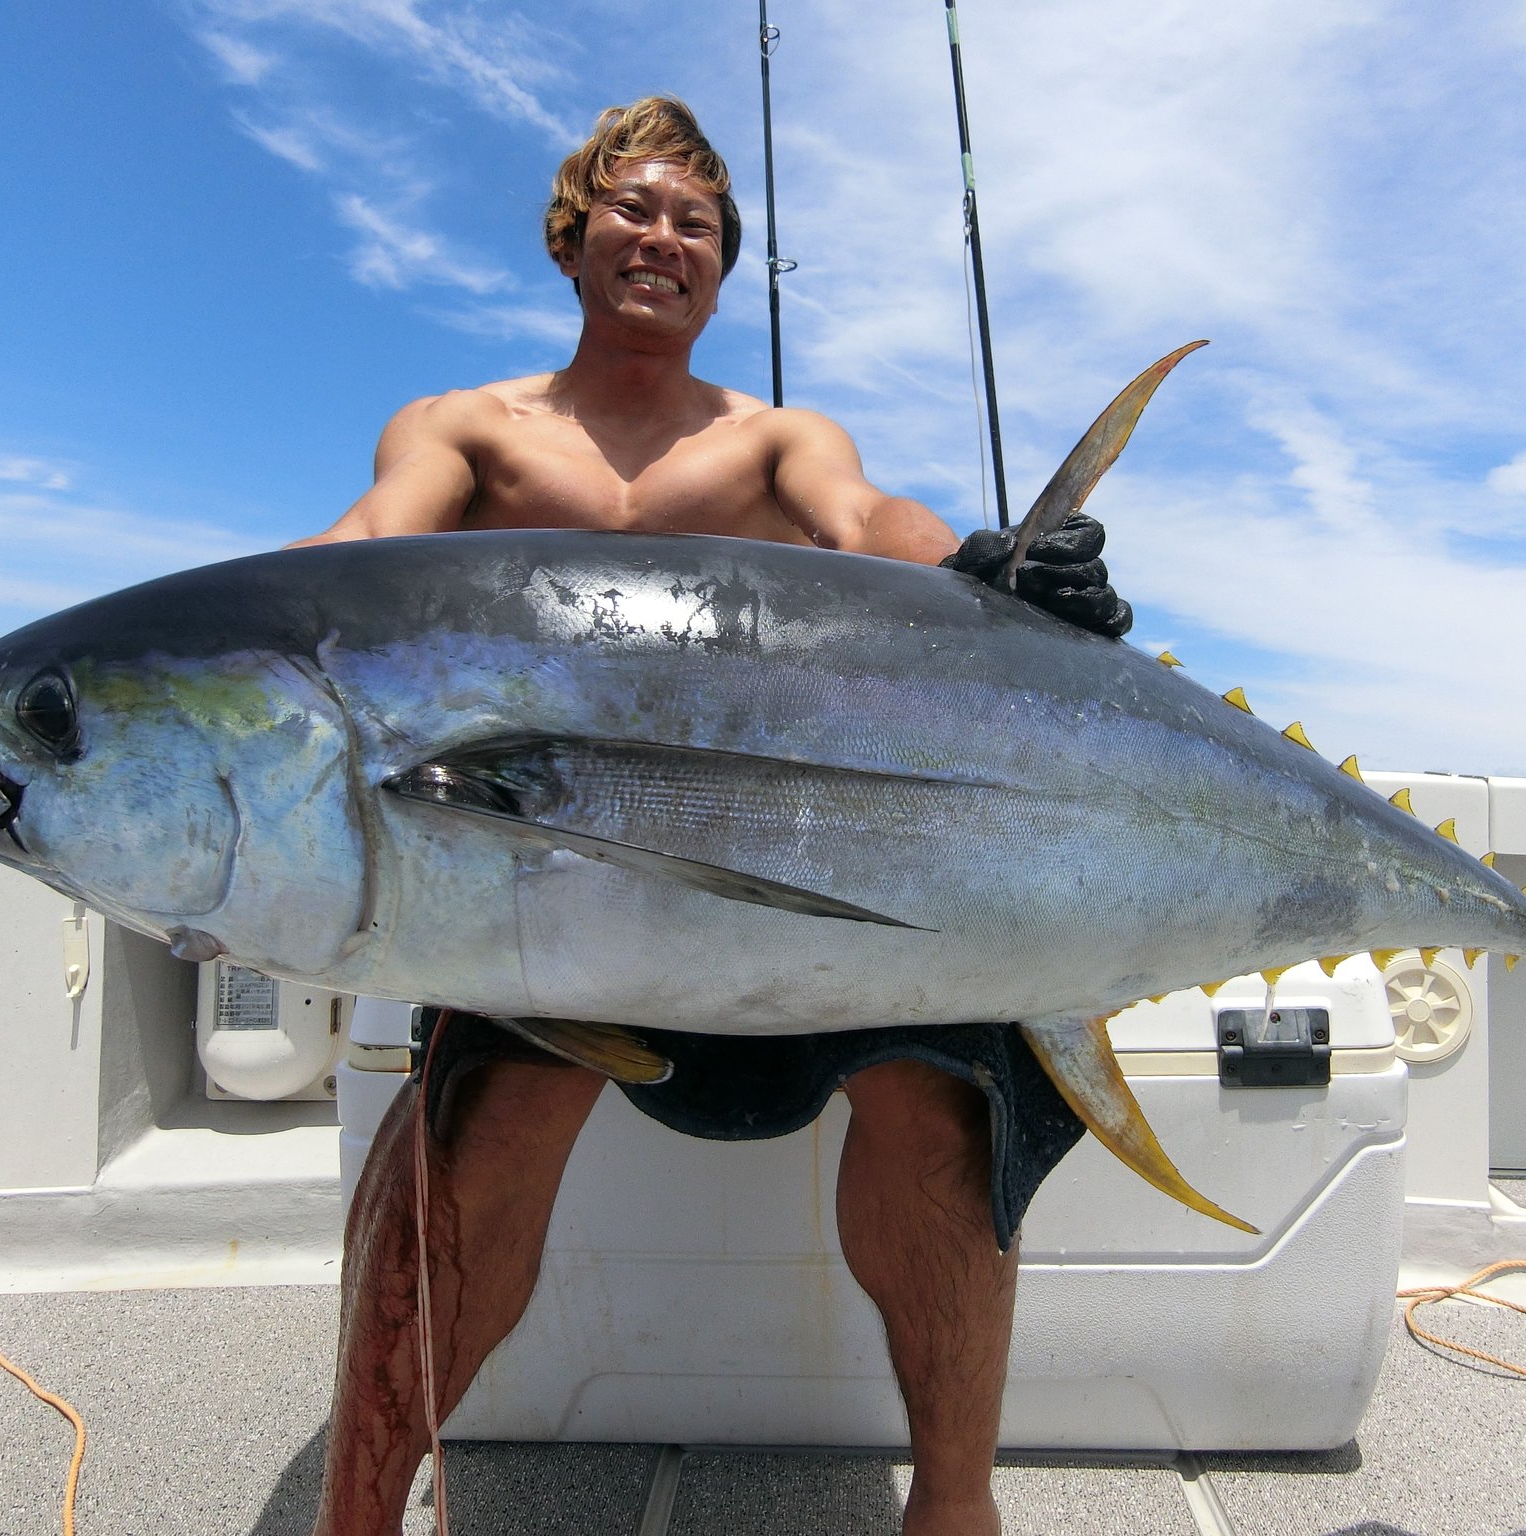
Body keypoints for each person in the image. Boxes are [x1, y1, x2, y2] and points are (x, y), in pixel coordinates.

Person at [295, 97, 1131, 1536]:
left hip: (775, 864)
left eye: (695, 223)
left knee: (944, 1094)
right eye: (632, 208)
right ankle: (359, 1516)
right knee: (475, 1125)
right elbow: (366, 548)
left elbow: (876, 523)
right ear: (573, 238)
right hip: (549, 882)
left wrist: (992, 567)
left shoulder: (771, 443)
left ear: (722, 268)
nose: (662, 238)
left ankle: (957, 1509)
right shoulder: (465, 432)